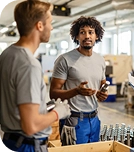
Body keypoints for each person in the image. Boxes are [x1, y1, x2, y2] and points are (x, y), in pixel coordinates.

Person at [0, 1, 71, 152]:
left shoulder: (7, 54)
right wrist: (59, 112)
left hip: (10, 142)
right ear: (39, 26)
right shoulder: (29, 64)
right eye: (50, 22)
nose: (51, 27)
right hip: (27, 146)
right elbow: (30, 125)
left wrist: (45, 108)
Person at [49, 16, 108, 145]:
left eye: (91, 32)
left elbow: (102, 84)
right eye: (82, 32)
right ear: (76, 37)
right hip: (74, 120)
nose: (87, 36)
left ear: (96, 36)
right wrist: (76, 91)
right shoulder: (65, 59)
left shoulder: (100, 60)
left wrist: (102, 93)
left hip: (95, 119)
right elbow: (53, 93)